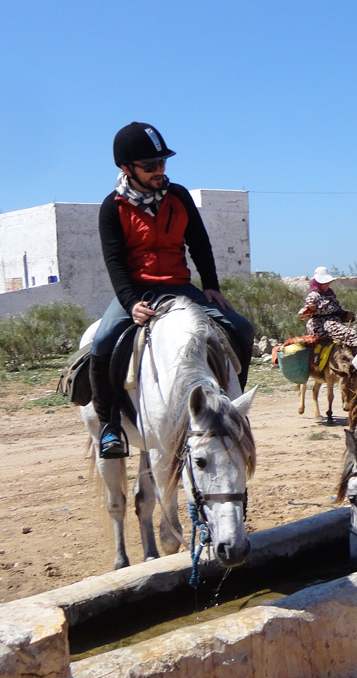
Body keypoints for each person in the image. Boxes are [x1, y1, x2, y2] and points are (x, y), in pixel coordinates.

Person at [88, 121, 254, 458]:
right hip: (137, 291)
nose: (159, 171)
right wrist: (130, 302)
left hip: (180, 287)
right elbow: (114, 260)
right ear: (126, 168)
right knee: (102, 341)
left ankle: (230, 409)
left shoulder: (178, 196)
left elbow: (199, 244)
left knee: (242, 329)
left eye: (162, 163)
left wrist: (211, 287)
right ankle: (109, 427)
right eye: (150, 166)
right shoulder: (113, 207)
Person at [298, 267, 357, 348]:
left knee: (356, 336)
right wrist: (311, 309)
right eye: (324, 283)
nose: (326, 285)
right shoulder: (313, 296)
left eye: (327, 282)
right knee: (350, 334)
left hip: (335, 324)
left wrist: (345, 314)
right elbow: (303, 316)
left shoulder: (331, 294)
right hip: (321, 326)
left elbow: (336, 311)